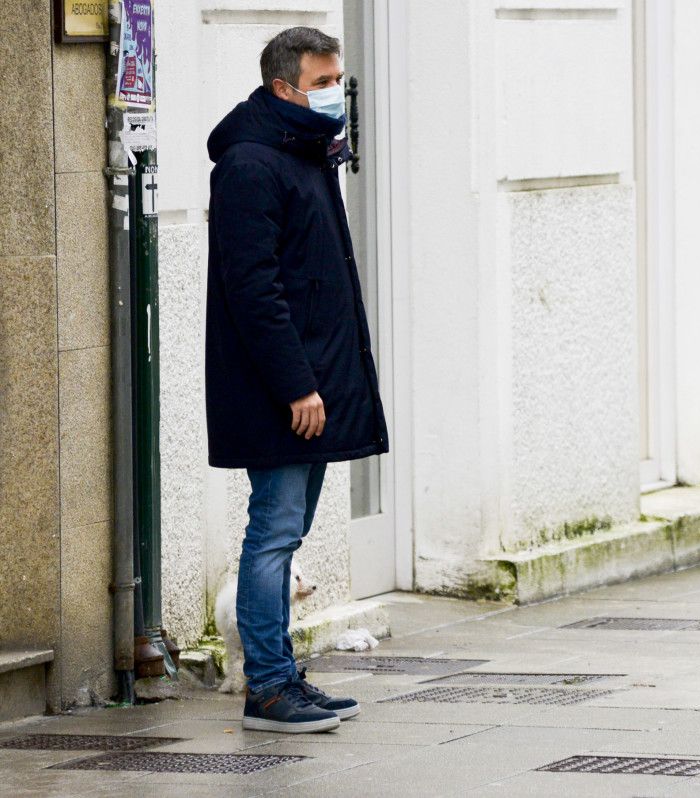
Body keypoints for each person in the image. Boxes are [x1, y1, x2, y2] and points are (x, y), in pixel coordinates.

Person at [205, 26, 389, 733]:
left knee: (288, 532)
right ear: (284, 88)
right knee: (274, 533)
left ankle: (282, 675)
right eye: (322, 82)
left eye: (337, 79)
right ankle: (269, 688)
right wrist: (297, 386)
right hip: (280, 393)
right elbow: (256, 290)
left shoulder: (304, 153)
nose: (335, 94)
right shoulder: (252, 165)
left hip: (309, 385)